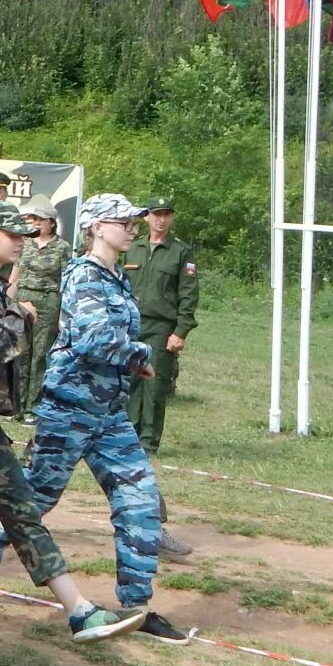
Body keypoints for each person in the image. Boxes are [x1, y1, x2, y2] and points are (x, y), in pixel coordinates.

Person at [0, 195, 197, 646]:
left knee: (140, 501)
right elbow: (95, 339)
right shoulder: (84, 275)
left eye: (134, 221)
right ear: (95, 227)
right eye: (121, 221)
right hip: (70, 407)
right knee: (35, 498)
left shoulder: (117, 276)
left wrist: (131, 357)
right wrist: (140, 355)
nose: (131, 227)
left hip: (109, 412)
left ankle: (136, 605)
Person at [0, 206, 146, 644]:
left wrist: (13, 313)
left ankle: (80, 611)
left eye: (24, 232)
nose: (22, 238)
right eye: (11, 232)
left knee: (23, 510)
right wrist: (18, 317)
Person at [125, 195, 200, 560]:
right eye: (156, 214)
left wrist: (181, 329)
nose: (161, 220)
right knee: (127, 385)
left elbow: (188, 294)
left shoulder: (180, 253)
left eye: (167, 214)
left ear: (172, 218)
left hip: (160, 328)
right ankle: (127, 434)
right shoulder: (133, 246)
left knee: (154, 389)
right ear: (147, 218)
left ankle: (148, 441)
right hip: (132, 325)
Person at [9, 201, 68, 423]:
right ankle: (17, 404)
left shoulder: (62, 247)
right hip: (24, 296)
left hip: (48, 299)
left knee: (40, 355)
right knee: (21, 353)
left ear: (51, 223)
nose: (36, 224)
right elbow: (18, 269)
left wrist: (63, 311)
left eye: (41, 220)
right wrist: (11, 289)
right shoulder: (26, 243)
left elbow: (65, 278)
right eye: (34, 219)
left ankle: (34, 407)